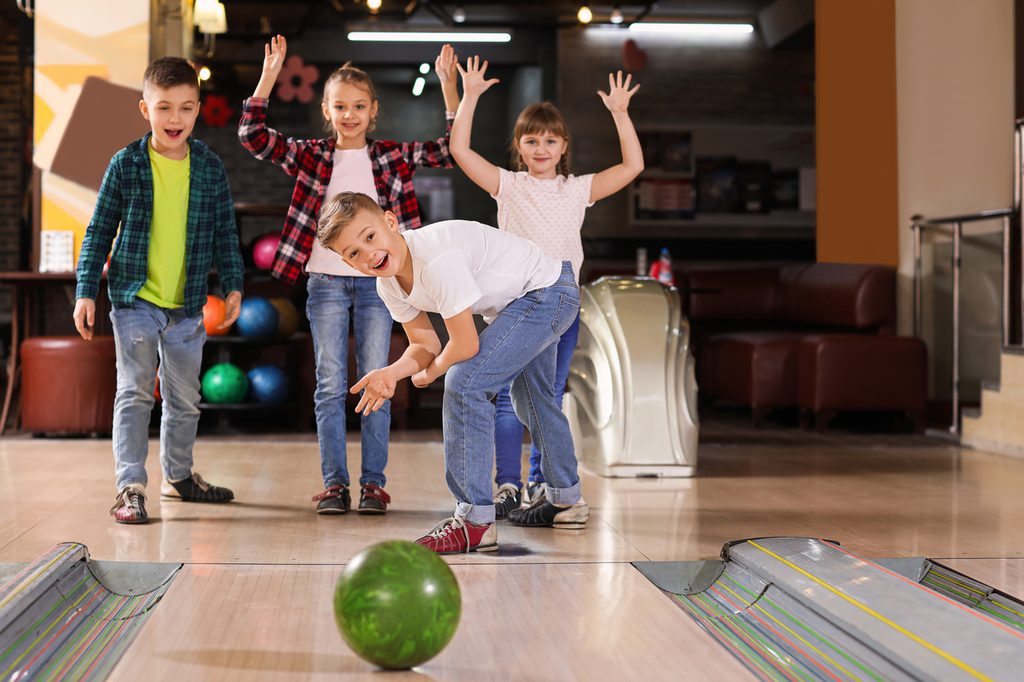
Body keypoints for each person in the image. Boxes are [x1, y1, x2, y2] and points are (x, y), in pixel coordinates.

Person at [239, 36, 460, 515]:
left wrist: (449, 88)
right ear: (326, 109)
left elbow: (450, 150)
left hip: (384, 285)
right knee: (330, 383)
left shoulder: (391, 157)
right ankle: (335, 484)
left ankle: (373, 484)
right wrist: (269, 78)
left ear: (373, 109)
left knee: (377, 378)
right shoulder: (313, 155)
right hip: (326, 283)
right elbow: (253, 137)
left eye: (359, 106)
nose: (350, 114)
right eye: (340, 106)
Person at [317, 192, 588, 554]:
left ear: (391, 222)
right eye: (353, 253)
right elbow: (424, 344)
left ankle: (474, 522)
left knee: (464, 384)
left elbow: (464, 345)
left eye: (370, 237)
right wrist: (391, 374)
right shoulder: (389, 283)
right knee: (531, 398)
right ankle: (567, 501)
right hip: (531, 299)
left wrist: (433, 374)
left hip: (548, 293)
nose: (369, 254)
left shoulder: (435, 259)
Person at [450, 56, 643, 517]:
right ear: (519, 147)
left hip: (557, 304)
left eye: (550, 140)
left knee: (537, 396)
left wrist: (620, 113)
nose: (541, 147)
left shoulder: (577, 189)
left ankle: (547, 488)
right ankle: (522, 488)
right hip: (517, 305)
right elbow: (460, 151)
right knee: (522, 398)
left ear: (563, 147)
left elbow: (633, 165)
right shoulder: (509, 185)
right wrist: (470, 97)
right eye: (531, 139)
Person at [74, 57, 244, 525]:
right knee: (134, 392)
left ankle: (179, 476)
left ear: (197, 110)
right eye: (164, 107)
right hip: (134, 300)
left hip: (187, 305)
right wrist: (86, 290)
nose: (175, 119)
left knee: (185, 398)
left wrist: (233, 285)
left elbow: (226, 232)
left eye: (185, 108)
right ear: (144, 109)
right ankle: (130, 487)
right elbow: (98, 231)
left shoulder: (208, 166)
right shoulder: (126, 164)